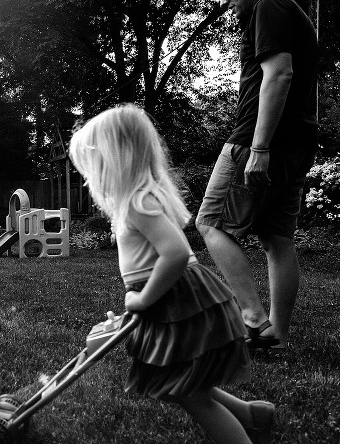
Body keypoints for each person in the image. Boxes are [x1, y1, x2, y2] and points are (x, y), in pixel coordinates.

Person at [69, 104, 275, 444]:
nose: (92, 176)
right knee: (177, 383)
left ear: (118, 159)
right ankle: (253, 415)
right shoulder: (138, 199)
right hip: (174, 298)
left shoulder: (139, 201)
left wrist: (143, 298)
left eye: (95, 165)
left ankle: (246, 431)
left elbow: (176, 253)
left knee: (189, 392)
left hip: (176, 299)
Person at [196, 0, 318, 350]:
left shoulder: (270, 6)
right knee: (277, 238)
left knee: (211, 223)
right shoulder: (289, 11)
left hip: (257, 140)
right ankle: (276, 335)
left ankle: (252, 318)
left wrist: (259, 146)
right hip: (297, 143)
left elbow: (279, 74)